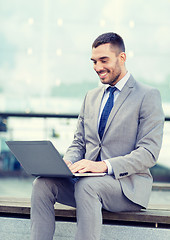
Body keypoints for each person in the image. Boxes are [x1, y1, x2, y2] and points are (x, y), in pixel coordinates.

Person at [30, 32, 164, 240]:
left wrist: (104, 166)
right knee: (43, 184)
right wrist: (67, 162)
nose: (97, 67)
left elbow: (149, 153)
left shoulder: (147, 95)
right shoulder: (91, 97)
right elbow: (79, 142)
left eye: (104, 60)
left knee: (88, 186)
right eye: (94, 61)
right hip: (87, 182)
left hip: (127, 188)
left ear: (122, 58)